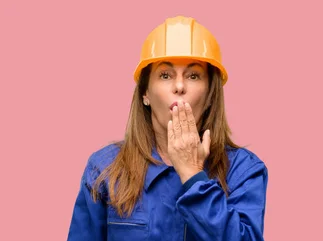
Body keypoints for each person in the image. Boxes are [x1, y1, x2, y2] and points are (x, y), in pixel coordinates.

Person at [66, 16, 269, 241]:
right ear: (145, 93)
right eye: (165, 75)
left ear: (211, 95)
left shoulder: (244, 171)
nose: (179, 86)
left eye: (193, 75)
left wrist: (192, 175)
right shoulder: (104, 169)